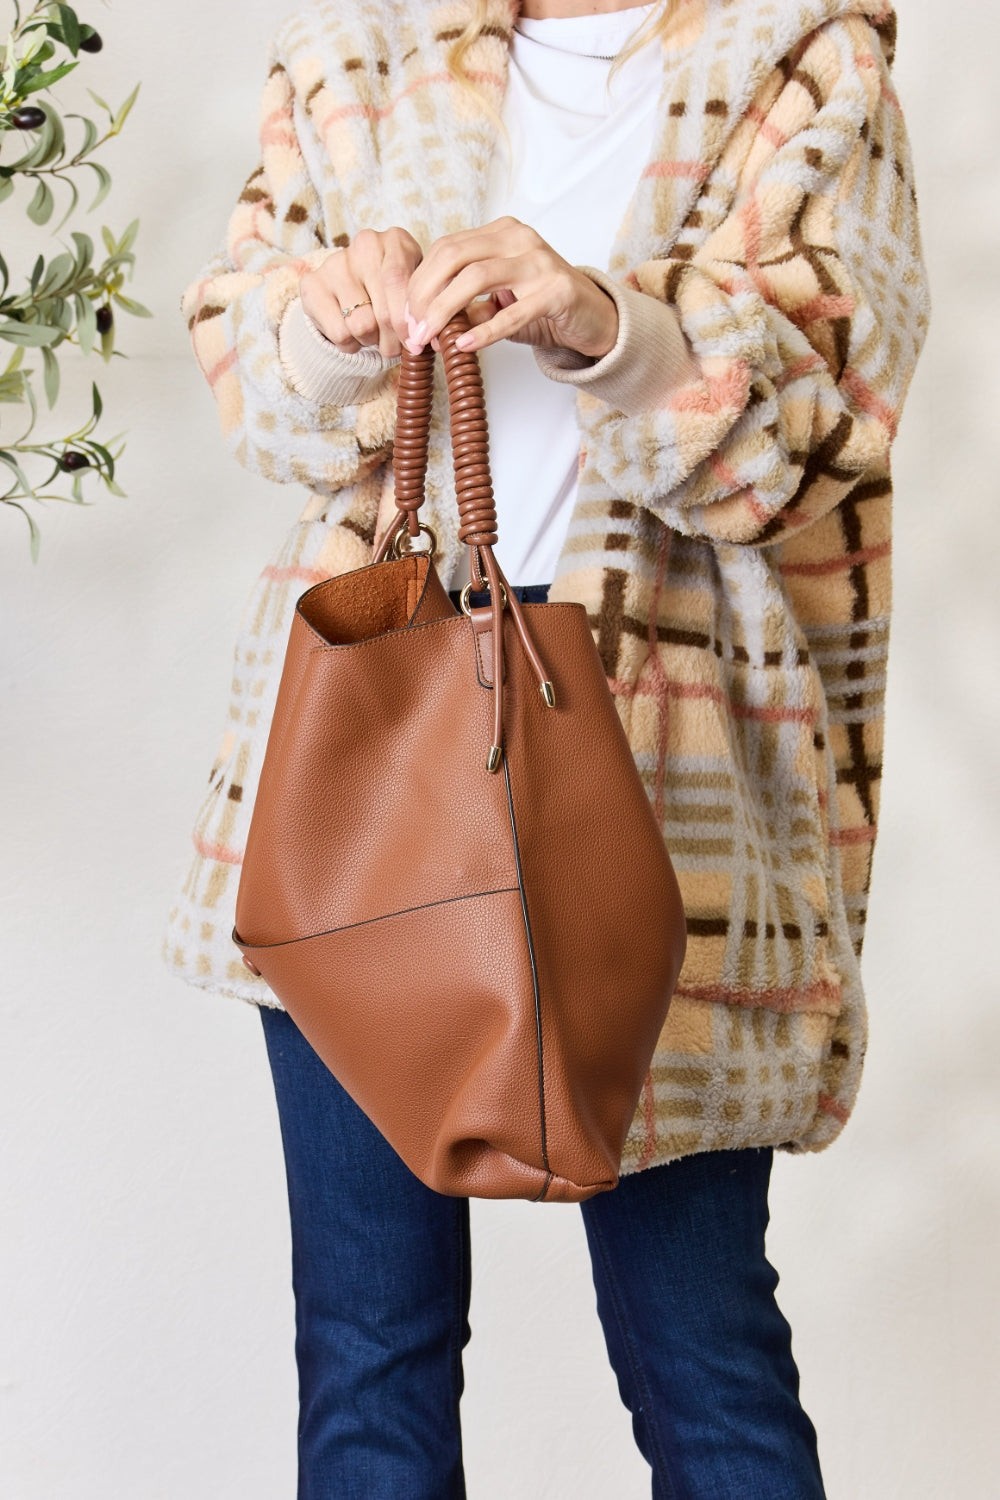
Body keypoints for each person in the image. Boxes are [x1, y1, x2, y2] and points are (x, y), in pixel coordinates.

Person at [163, 0, 930, 1493]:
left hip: (667, 775)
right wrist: (323, 328)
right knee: (367, 1348)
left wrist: (607, 320)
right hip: (373, 743)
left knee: (699, 1345)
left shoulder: (808, 58)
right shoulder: (359, 52)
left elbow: (832, 418)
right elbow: (250, 367)